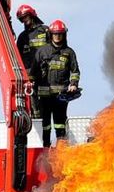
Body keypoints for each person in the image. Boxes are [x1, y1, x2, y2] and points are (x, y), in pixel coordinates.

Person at [30, 19, 80, 148]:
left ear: (64, 35)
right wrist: (30, 84)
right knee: (45, 125)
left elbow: (75, 71)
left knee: (60, 123)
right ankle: (45, 148)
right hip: (44, 96)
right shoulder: (42, 51)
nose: (57, 36)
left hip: (61, 96)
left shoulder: (69, 52)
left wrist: (73, 84)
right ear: (51, 34)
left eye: (60, 34)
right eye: (55, 34)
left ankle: (60, 149)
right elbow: (33, 72)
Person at [15, 4, 49, 72]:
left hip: (46, 70)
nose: (24, 19)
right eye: (22, 18)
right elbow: (17, 56)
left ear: (31, 15)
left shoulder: (45, 30)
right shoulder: (22, 36)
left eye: (25, 16)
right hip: (30, 72)